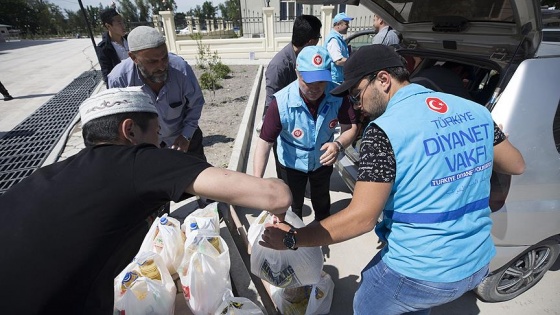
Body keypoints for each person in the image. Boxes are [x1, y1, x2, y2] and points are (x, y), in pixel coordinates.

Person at [259, 45, 526, 314]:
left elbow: (361, 218)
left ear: (384, 80)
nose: (357, 105)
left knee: (367, 303)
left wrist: (293, 239)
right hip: (477, 263)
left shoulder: (383, 131)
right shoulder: (476, 112)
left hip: (420, 271)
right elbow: (516, 164)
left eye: (356, 94)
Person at [0, 87, 292, 314]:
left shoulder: (47, 175)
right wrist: (277, 183)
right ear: (129, 131)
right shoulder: (137, 160)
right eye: (156, 134)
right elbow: (274, 196)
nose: (160, 144)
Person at [253, 46, 358, 221]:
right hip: (291, 164)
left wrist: (338, 145)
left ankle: (322, 231)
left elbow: (351, 127)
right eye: (308, 81)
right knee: (293, 206)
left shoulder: (338, 95)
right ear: (297, 72)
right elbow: (264, 142)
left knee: (322, 200)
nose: (315, 88)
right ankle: (295, 238)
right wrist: (256, 181)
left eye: (321, 82)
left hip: (322, 161)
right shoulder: (281, 102)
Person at [108, 26, 206, 161]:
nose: (161, 66)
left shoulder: (181, 69)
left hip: (183, 137)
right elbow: (118, 121)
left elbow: (196, 103)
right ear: (133, 57)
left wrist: (186, 135)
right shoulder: (119, 80)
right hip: (145, 147)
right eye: (152, 61)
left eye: (164, 57)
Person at [259, 14, 322, 176]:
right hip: (283, 126)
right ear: (310, 41)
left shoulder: (305, 60)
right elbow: (271, 103)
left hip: (301, 123)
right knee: (286, 170)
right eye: (318, 38)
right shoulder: (278, 66)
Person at [97, 8, 129, 87]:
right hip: (122, 87)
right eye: (119, 23)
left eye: (123, 22)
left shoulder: (129, 39)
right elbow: (107, 76)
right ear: (108, 26)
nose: (123, 26)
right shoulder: (104, 48)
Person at [324, 12, 353, 84]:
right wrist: (353, 60)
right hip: (335, 81)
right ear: (338, 25)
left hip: (338, 78)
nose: (348, 26)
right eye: (346, 24)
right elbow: (338, 61)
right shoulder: (333, 40)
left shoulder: (337, 38)